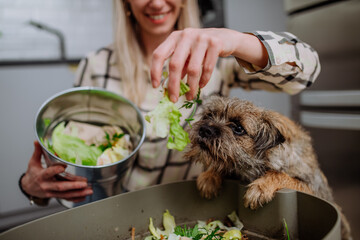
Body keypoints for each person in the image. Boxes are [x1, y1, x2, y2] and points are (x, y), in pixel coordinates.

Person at [19, 0, 320, 205]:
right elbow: (81, 171)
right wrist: (34, 189)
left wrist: (237, 41)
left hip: (197, 213)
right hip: (120, 213)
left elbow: (306, 73)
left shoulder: (219, 62)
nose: (156, 2)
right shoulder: (96, 66)